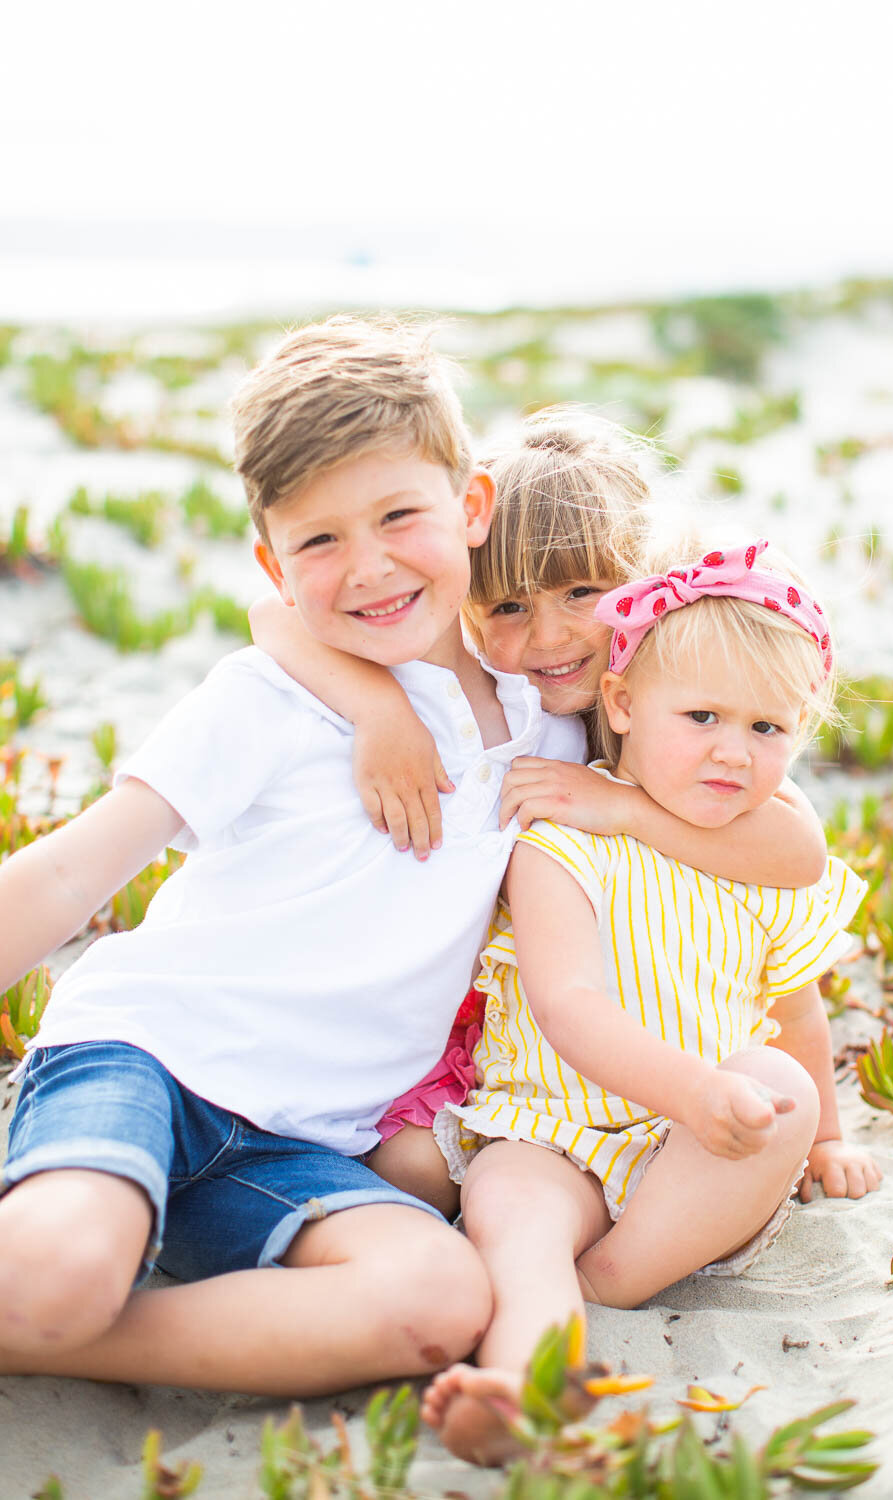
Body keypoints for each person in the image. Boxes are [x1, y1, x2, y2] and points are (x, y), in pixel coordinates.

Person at [0, 315, 591, 1396]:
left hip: (303, 1145)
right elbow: (73, 873)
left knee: (437, 1304)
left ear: (472, 507)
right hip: (148, 1061)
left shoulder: (546, 717)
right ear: (275, 562)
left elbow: (708, 690)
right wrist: (368, 700)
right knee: (58, 1269)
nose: (368, 567)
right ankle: (51, 1302)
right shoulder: (265, 698)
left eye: (399, 516)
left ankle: (73, 1330)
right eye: (320, 542)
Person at [249, 415, 830, 1218]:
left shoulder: (680, 694)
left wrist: (621, 807)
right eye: (511, 605)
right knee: (412, 1165)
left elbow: (800, 851)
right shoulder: (484, 680)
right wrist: (380, 710)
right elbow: (272, 614)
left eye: (582, 594)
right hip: (515, 1030)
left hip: (655, 1009)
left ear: (640, 581)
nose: (549, 635)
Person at [420, 533, 881, 1464]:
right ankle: (526, 1386)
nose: (734, 753)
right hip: (555, 1125)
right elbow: (569, 1004)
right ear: (623, 705)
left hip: (699, 1151)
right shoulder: (566, 836)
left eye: (767, 729)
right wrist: (692, 1092)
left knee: (776, 1084)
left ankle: (617, 1281)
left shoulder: (760, 860)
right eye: (703, 716)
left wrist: (826, 1135)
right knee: (517, 1210)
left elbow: (797, 1010)